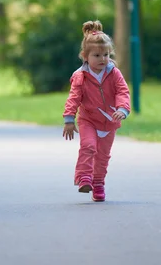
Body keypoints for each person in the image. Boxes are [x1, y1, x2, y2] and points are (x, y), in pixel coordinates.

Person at [62, 20, 131, 202]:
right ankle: (84, 178)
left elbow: (122, 91)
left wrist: (123, 109)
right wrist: (69, 119)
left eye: (106, 55)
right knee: (89, 147)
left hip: (110, 121)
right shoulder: (80, 76)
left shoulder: (114, 73)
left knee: (103, 156)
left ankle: (98, 183)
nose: (102, 59)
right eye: (97, 55)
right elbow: (74, 98)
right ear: (85, 56)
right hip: (88, 120)